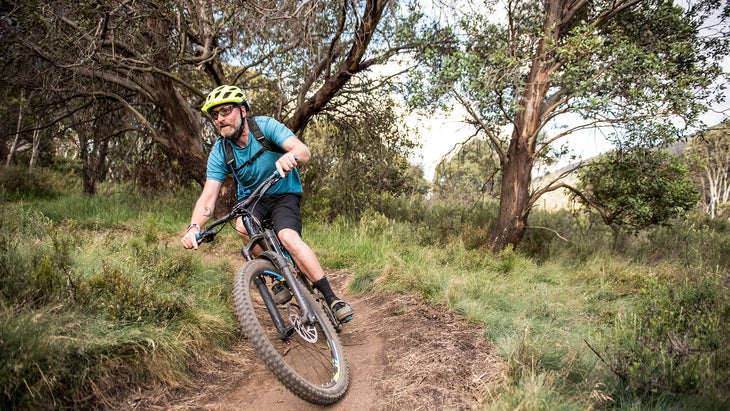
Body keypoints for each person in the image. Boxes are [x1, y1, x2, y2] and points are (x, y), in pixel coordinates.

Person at [181, 85, 354, 323]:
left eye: (225, 111)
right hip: (253, 200)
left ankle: (332, 298)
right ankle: (276, 276)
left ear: (242, 111)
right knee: (242, 226)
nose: (220, 119)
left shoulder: (265, 126)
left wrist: (290, 156)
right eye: (215, 115)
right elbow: (208, 197)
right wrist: (194, 227)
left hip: (284, 193)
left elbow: (303, 151)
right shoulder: (220, 151)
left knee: (289, 238)